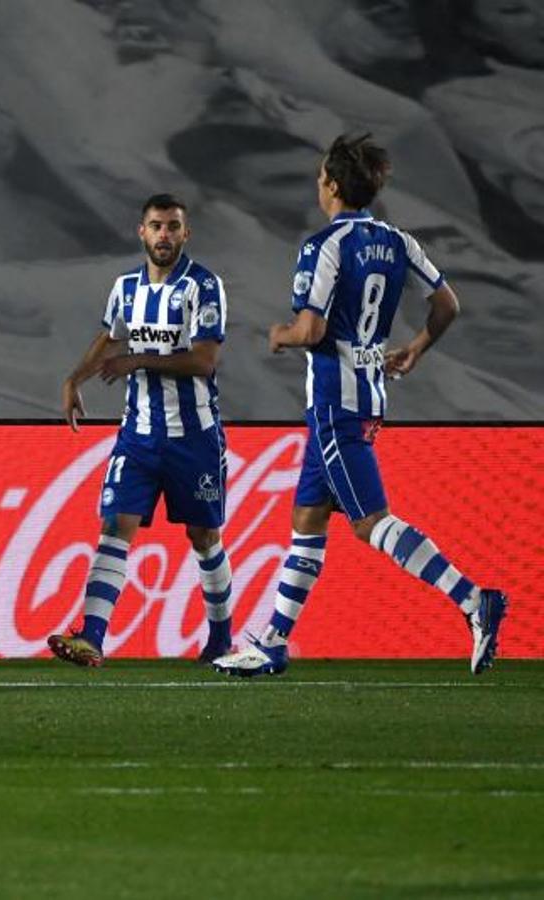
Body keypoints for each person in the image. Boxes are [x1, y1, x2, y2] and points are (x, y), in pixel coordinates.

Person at [214, 132, 508, 677]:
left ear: (330, 184)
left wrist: (280, 333)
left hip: (334, 401)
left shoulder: (323, 247)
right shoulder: (398, 242)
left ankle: (474, 601)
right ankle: (274, 642)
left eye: (320, 176)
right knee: (307, 521)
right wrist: (416, 347)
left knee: (371, 523)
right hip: (367, 394)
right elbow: (447, 304)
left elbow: (312, 328)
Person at [49, 194, 235, 667]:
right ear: (142, 232)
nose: (165, 235)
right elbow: (111, 338)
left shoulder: (203, 286)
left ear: (185, 234)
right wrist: (75, 378)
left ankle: (220, 640)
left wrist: (137, 360)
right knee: (116, 526)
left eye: (174, 226)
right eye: (157, 226)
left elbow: (203, 359)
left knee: (203, 536)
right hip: (138, 434)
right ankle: (91, 636)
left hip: (194, 436)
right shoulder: (126, 287)